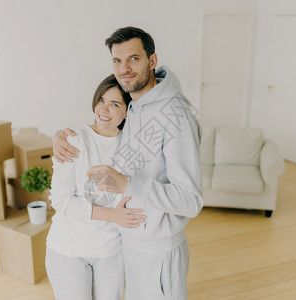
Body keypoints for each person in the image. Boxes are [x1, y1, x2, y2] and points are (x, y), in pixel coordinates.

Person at [54, 26, 203, 300]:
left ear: (152, 61)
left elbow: (191, 200)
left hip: (158, 251)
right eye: (117, 61)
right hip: (129, 245)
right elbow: (102, 133)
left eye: (134, 58)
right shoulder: (134, 106)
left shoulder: (177, 116)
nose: (125, 68)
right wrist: (61, 137)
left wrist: (127, 184)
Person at [45, 74, 146, 300]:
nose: (103, 109)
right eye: (101, 100)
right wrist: (112, 215)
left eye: (114, 104)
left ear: (127, 111)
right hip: (68, 249)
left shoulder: (132, 147)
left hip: (110, 252)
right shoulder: (74, 140)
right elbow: (61, 200)